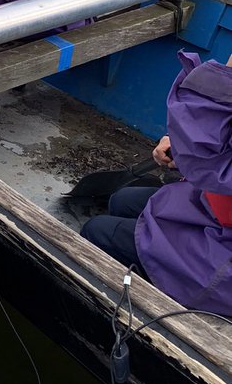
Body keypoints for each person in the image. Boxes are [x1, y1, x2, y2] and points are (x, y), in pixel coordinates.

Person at [81, 51, 232, 316]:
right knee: (121, 200)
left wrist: (195, 155)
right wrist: (183, 148)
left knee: (96, 230)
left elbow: (214, 166)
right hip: (214, 209)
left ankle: (151, 294)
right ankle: (146, 259)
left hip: (222, 254)